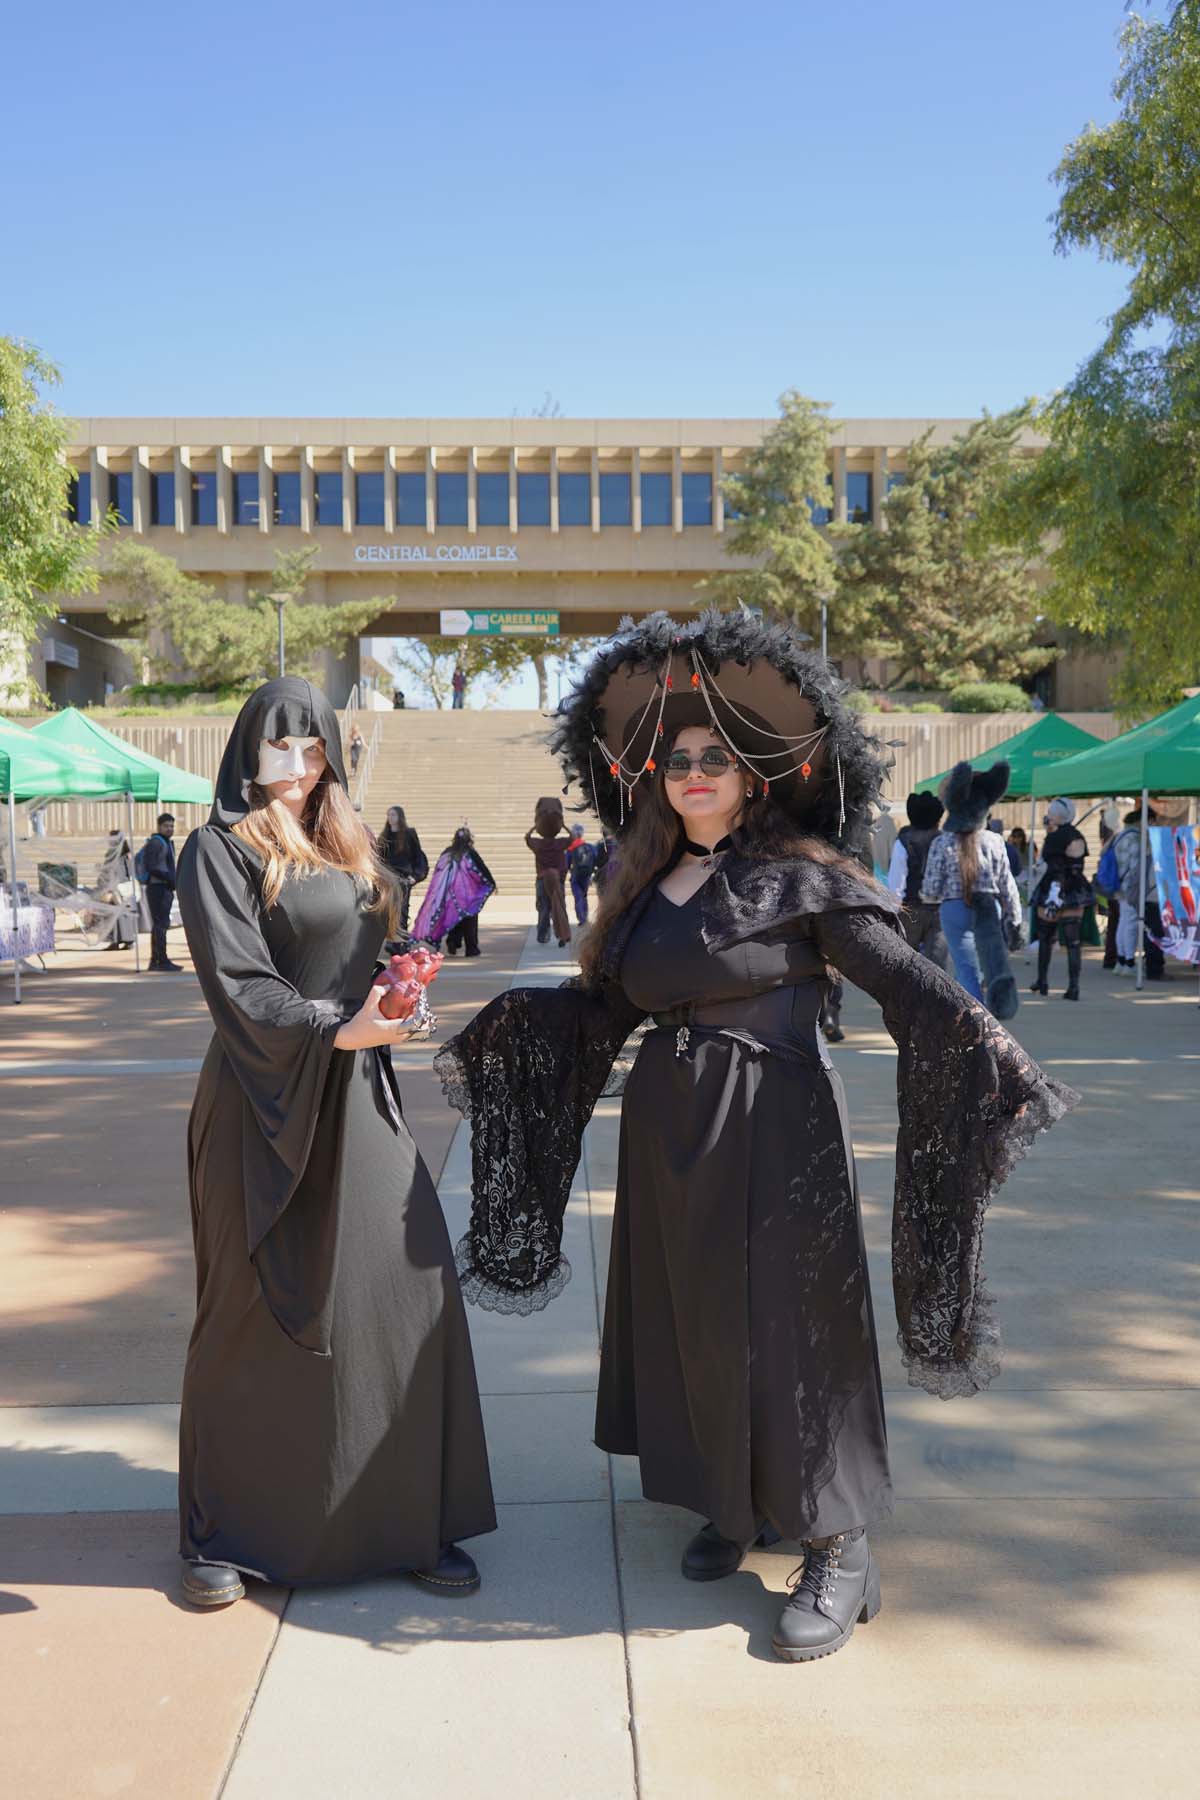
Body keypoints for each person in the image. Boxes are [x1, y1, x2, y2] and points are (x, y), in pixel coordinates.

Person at [435, 613, 1076, 1665]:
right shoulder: (639, 892)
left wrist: (995, 1060)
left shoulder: (802, 877)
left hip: (778, 1128)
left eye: (714, 761)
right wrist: (501, 1021)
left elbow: (912, 988)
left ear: (752, 776)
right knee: (696, 1320)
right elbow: (603, 1012)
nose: (693, 774)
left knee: (793, 1325)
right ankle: (735, 1503)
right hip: (669, 1138)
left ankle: (839, 1539)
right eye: (677, 761)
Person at [174, 678, 494, 1610]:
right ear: (248, 750)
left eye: (314, 748)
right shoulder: (220, 849)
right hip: (260, 1096)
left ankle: (408, 1519)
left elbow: (362, 970)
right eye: (281, 747)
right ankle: (223, 1533)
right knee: (254, 1310)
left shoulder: (350, 844)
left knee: (406, 1290)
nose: (299, 766)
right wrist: (335, 1026)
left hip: (359, 1094)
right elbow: (239, 986)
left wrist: (399, 998)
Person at [921, 762, 1023, 1018]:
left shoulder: (942, 842)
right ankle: (995, 1013)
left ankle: (978, 1024)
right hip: (990, 907)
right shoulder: (995, 841)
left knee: (966, 972)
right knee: (991, 965)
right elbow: (1007, 886)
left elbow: (930, 889)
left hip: (953, 908)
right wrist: (1015, 919)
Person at [1028, 797, 1093, 1001]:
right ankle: (1074, 987)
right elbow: (1076, 865)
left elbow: (1049, 862)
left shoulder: (1053, 836)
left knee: (1046, 938)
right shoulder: (1078, 835)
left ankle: (1043, 981)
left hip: (1052, 889)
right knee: (1073, 942)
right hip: (1074, 890)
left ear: (1056, 815)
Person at [886, 792, 949, 969]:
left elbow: (896, 882)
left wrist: (894, 911)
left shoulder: (903, 842)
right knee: (936, 968)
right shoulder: (945, 840)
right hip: (939, 910)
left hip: (910, 909)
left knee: (905, 966)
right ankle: (934, 997)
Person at [413, 825, 496, 955]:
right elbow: (482, 869)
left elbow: (438, 874)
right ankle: (471, 948)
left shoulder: (447, 853)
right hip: (467, 895)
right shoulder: (469, 853)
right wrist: (491, 883)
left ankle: (453, 941)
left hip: (448, 894)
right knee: (469, 921)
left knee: (452, 917)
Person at [1113, 805, 1165, 978]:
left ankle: (1121, 961)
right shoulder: (1136, 839)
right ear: (1146, 820)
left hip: (1119, 885)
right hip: (1131, 888)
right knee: (1132, 924)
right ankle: (1129, 962)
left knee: (1123, 922)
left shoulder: (1120, 836)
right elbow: (1137, 868)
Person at [138, 814, 182, 972]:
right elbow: (151, 866)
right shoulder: (156, 843)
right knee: (160, 924)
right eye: (166, 826)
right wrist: (169, 878)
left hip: (165, 887)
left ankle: (158, 959)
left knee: (162, 924)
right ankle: (159, 960)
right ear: (159, 827)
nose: (169, 829)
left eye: (171, 826)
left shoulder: (167, 842)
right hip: (158, 888)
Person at [526, 797, 571, 947]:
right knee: (559, 906)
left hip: (542, 879)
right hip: (557, 880)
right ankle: (562, 933)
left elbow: (527, 838)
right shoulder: (560, 843)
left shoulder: (538, 845)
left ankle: (542, 935)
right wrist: (563, 826)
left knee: (543, 908)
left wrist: (535, 826)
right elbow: (573, 838)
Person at [376, 805, 428, 932]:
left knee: (402, 909)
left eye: (393, 815)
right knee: (389, 909)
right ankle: (391, 939)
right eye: (388, 815)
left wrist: (416, 876)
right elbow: (379, 859)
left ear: (400, 817)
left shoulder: (409, 834)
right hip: (389, 878)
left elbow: (418, 856)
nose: (390, 818)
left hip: (404, 877)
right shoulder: (384, 836)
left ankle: (401, 942)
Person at [94, 829, 136, 950]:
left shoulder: (113, 854)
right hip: (126, 887)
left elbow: (110, 871)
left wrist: (107, 883)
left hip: (116, 887)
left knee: (114, 915)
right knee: (124, 914)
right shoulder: (127, 853)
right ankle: (128, 940)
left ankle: (116, 940)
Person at [565, 824, 598, 925]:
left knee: (578, 897)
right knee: (584, 896)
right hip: (586, 875)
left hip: (576, 876)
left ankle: (582, 918)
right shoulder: (589, 847)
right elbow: (596, 858)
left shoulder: (570, 849)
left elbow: (566, 863)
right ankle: (585, 915)